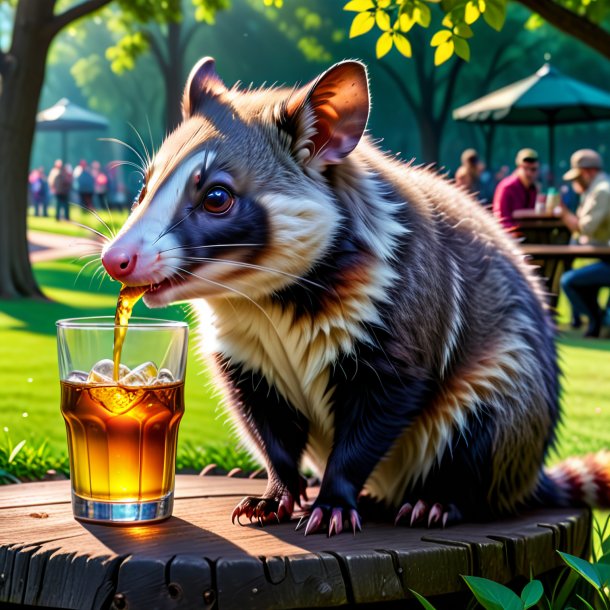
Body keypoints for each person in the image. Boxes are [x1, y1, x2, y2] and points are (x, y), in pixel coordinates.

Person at [559, 149, 610, 338]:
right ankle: (599, 320)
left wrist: (562, 211)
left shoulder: (602, 191)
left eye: (577, 177)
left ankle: (597, 320)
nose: (575, 182)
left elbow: (585, 228)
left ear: (588, 172)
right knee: (582, 277)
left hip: (606, 259)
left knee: (568, 281)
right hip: (602, 256)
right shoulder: (598, 188)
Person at [492, 149, 539, 230]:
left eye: (533, 169)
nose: (529, 173)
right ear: (518, 168)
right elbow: (501, 220)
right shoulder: (506, 187)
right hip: (508, 238)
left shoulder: (533, 189)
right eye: (526, 168)